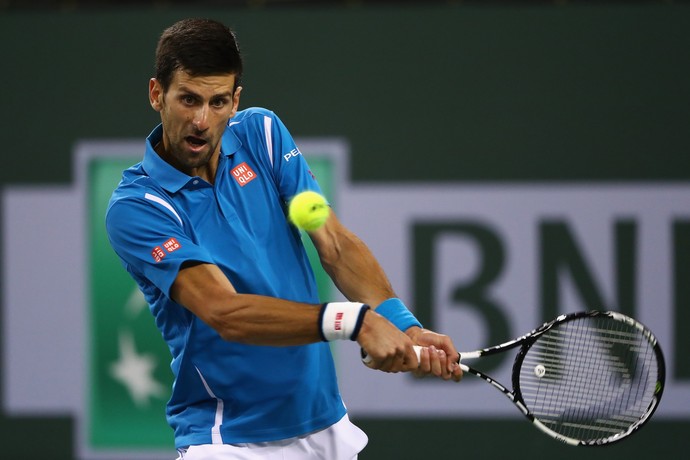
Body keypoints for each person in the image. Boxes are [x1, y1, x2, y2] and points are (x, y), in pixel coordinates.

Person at [105, 18, 462, 460]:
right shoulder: (138, 206)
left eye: (218, 102)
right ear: (157, 94)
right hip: (228, 440)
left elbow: (333, 242)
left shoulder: (264, 136)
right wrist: (355, 321)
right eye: (188, 100)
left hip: (325, 424)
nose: (201, 121)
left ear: (236, 101)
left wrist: (400, 321)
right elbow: (224, 311)